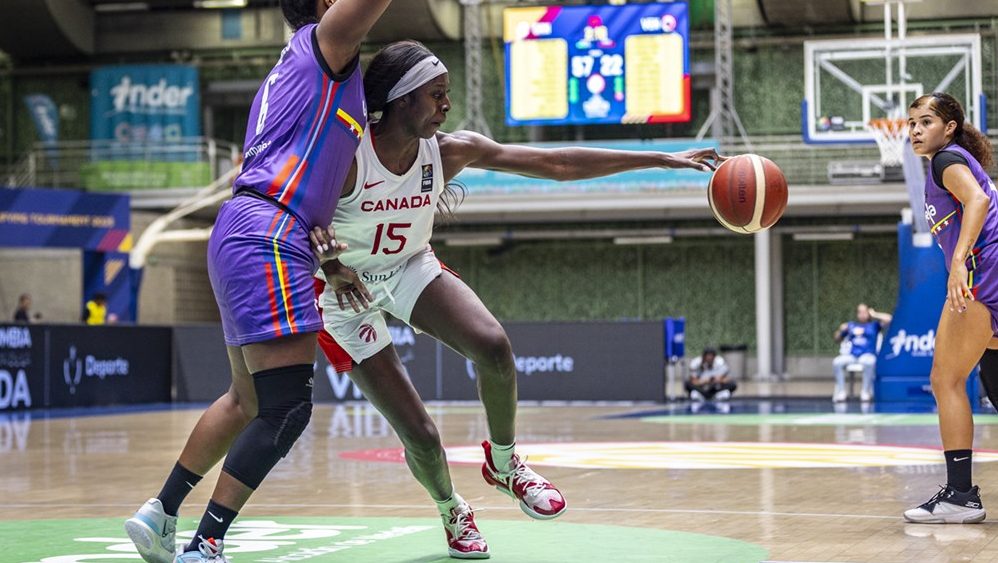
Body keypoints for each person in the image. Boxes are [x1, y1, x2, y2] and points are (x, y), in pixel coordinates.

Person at [308, 40, 724, 559]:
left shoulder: (449, 151)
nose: (447, 104)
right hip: (346, 291)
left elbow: (558, 164)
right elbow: (288, 219)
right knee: (421, 436)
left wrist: (660, 157)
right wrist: (328, 263)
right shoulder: (345, 157)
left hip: (409, 266)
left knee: (494, 346)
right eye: (436, 94)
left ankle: (504, 463)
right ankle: (451, 509)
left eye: (447, 94)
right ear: (401, 99)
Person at [123, 2, 394, 562]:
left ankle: (162, 511)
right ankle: (207, 544)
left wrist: (328, 263)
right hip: (268, 232)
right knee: (287, 407)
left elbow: (314, 181)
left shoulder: (304, 74)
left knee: (246, 398)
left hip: (249, 232)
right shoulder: (325, 43)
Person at [902, 92, 997, 525]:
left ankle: (960, 495)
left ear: (949, 127)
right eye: (912, 123)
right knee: (993, 380)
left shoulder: (946, 161)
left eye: (925, 122)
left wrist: (958, 262)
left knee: (945, 379)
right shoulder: (952, 159)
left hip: (984, 276)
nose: (916, 130)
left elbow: (977, 201)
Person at [831, 303, 892, 402]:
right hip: (852, 356)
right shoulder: (851, 325)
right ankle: (841, 391)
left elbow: (889, 319)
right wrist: (840, 330)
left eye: (864, 312)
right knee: (837, 362)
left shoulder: (874, 325)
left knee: (869, 362)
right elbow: (837, 338)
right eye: (860, 312)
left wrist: (875, 314)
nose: (862, 314)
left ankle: (865, 391)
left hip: (867, 355)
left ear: (868, 313)